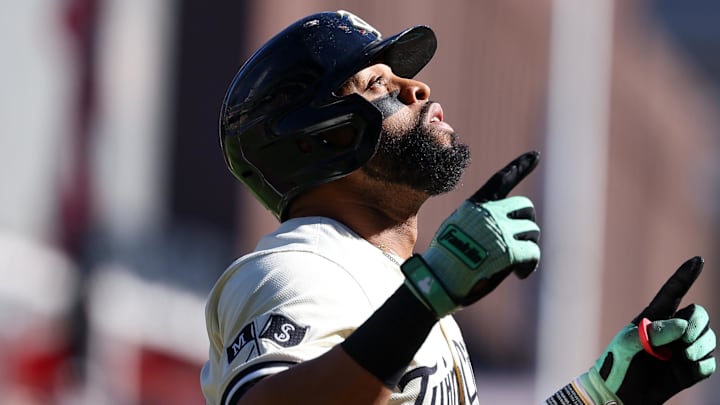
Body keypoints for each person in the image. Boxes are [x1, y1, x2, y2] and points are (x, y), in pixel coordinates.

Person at [201, 10, 716, 405]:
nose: (418, 86)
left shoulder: (392, 286)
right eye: (378, 84)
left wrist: (599, 397)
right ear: (314, 140)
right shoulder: (299, 265)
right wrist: (430, 294)